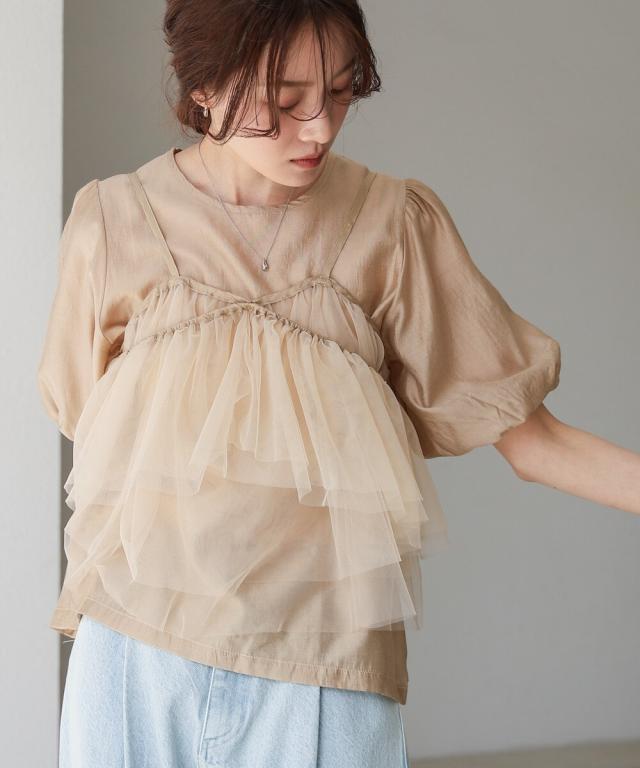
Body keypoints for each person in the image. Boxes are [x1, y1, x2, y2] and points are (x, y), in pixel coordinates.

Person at [36, 1, 640, 766]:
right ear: (205, 89)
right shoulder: (112, 222)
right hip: (135, 650)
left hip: (325, 668)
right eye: (285, 101)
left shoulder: (393, 224)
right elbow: (86, 418)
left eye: (341, 92)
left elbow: (536, 442)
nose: (320, 128)